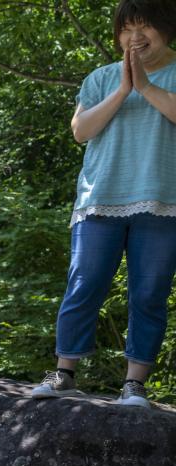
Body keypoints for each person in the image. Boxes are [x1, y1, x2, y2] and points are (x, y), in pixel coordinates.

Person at [32, 0, 176, 409]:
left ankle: (134, 385)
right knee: (84, 283)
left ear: (166, 29)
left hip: (165, 200)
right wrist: (125, 89)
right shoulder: (100, 78)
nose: (135, 37)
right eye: (127, 28)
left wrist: (146, 86)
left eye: (145, 27)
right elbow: (81, 130)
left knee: (149, 293)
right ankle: (65, 372)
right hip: (100, 198)